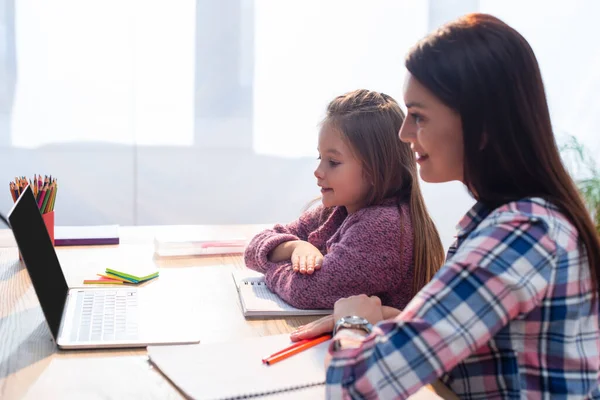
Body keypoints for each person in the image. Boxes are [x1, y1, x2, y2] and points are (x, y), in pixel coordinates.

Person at [292, 13, 600, 399]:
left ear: (482, 127)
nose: (405, 134)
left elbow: (354, 389)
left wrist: (352, 323)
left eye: (418, 116)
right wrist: (399, 321)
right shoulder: (509, 220)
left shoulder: (519, 236)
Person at [244, 89, 444, 310]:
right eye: (321, 157)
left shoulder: (384, 228)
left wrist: (272, 265)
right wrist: (294, 247)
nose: (318, 171)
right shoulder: (336, 211)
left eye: (333, 162)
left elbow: (304, 291)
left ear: (378, 169)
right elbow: (254, 248)